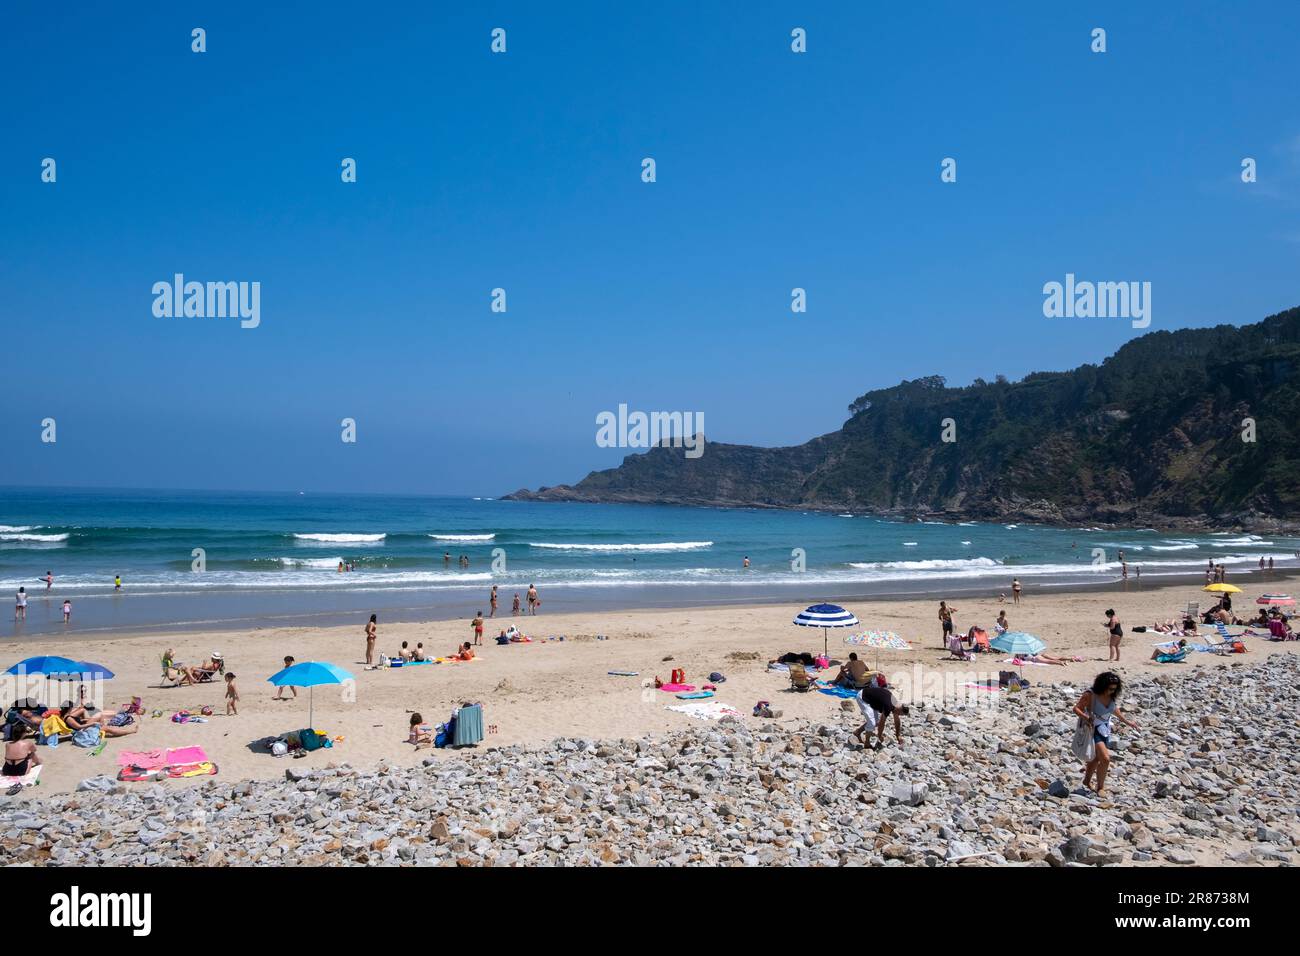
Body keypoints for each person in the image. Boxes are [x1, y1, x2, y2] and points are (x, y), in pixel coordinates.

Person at [1072, 672, 1138, 796]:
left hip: (1105, 729)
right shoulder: (1091, 695)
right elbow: (1076, 708)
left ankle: (1086, 781)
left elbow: (1114, 709)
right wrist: (1086, 717)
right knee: (1106, 758)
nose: (1112, 691)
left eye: (1114, 689)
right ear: (1102, 686)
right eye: (1110, 689)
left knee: (1096, 758)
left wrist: (1128, 722)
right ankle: (1100, 787)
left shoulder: (1111, 696)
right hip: (1093, 729)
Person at [853, 674, 904, 749]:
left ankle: (857, 732)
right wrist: (879, 736)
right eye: (900, 714)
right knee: (872, 722)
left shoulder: (895, 705)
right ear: (899, 710)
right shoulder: (889, 706)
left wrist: (898, 735)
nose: (898, 715)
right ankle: (867, 744)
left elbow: (897, 720)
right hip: (863, 697)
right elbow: (882, 722)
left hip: (872, 700)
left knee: (874, 721)